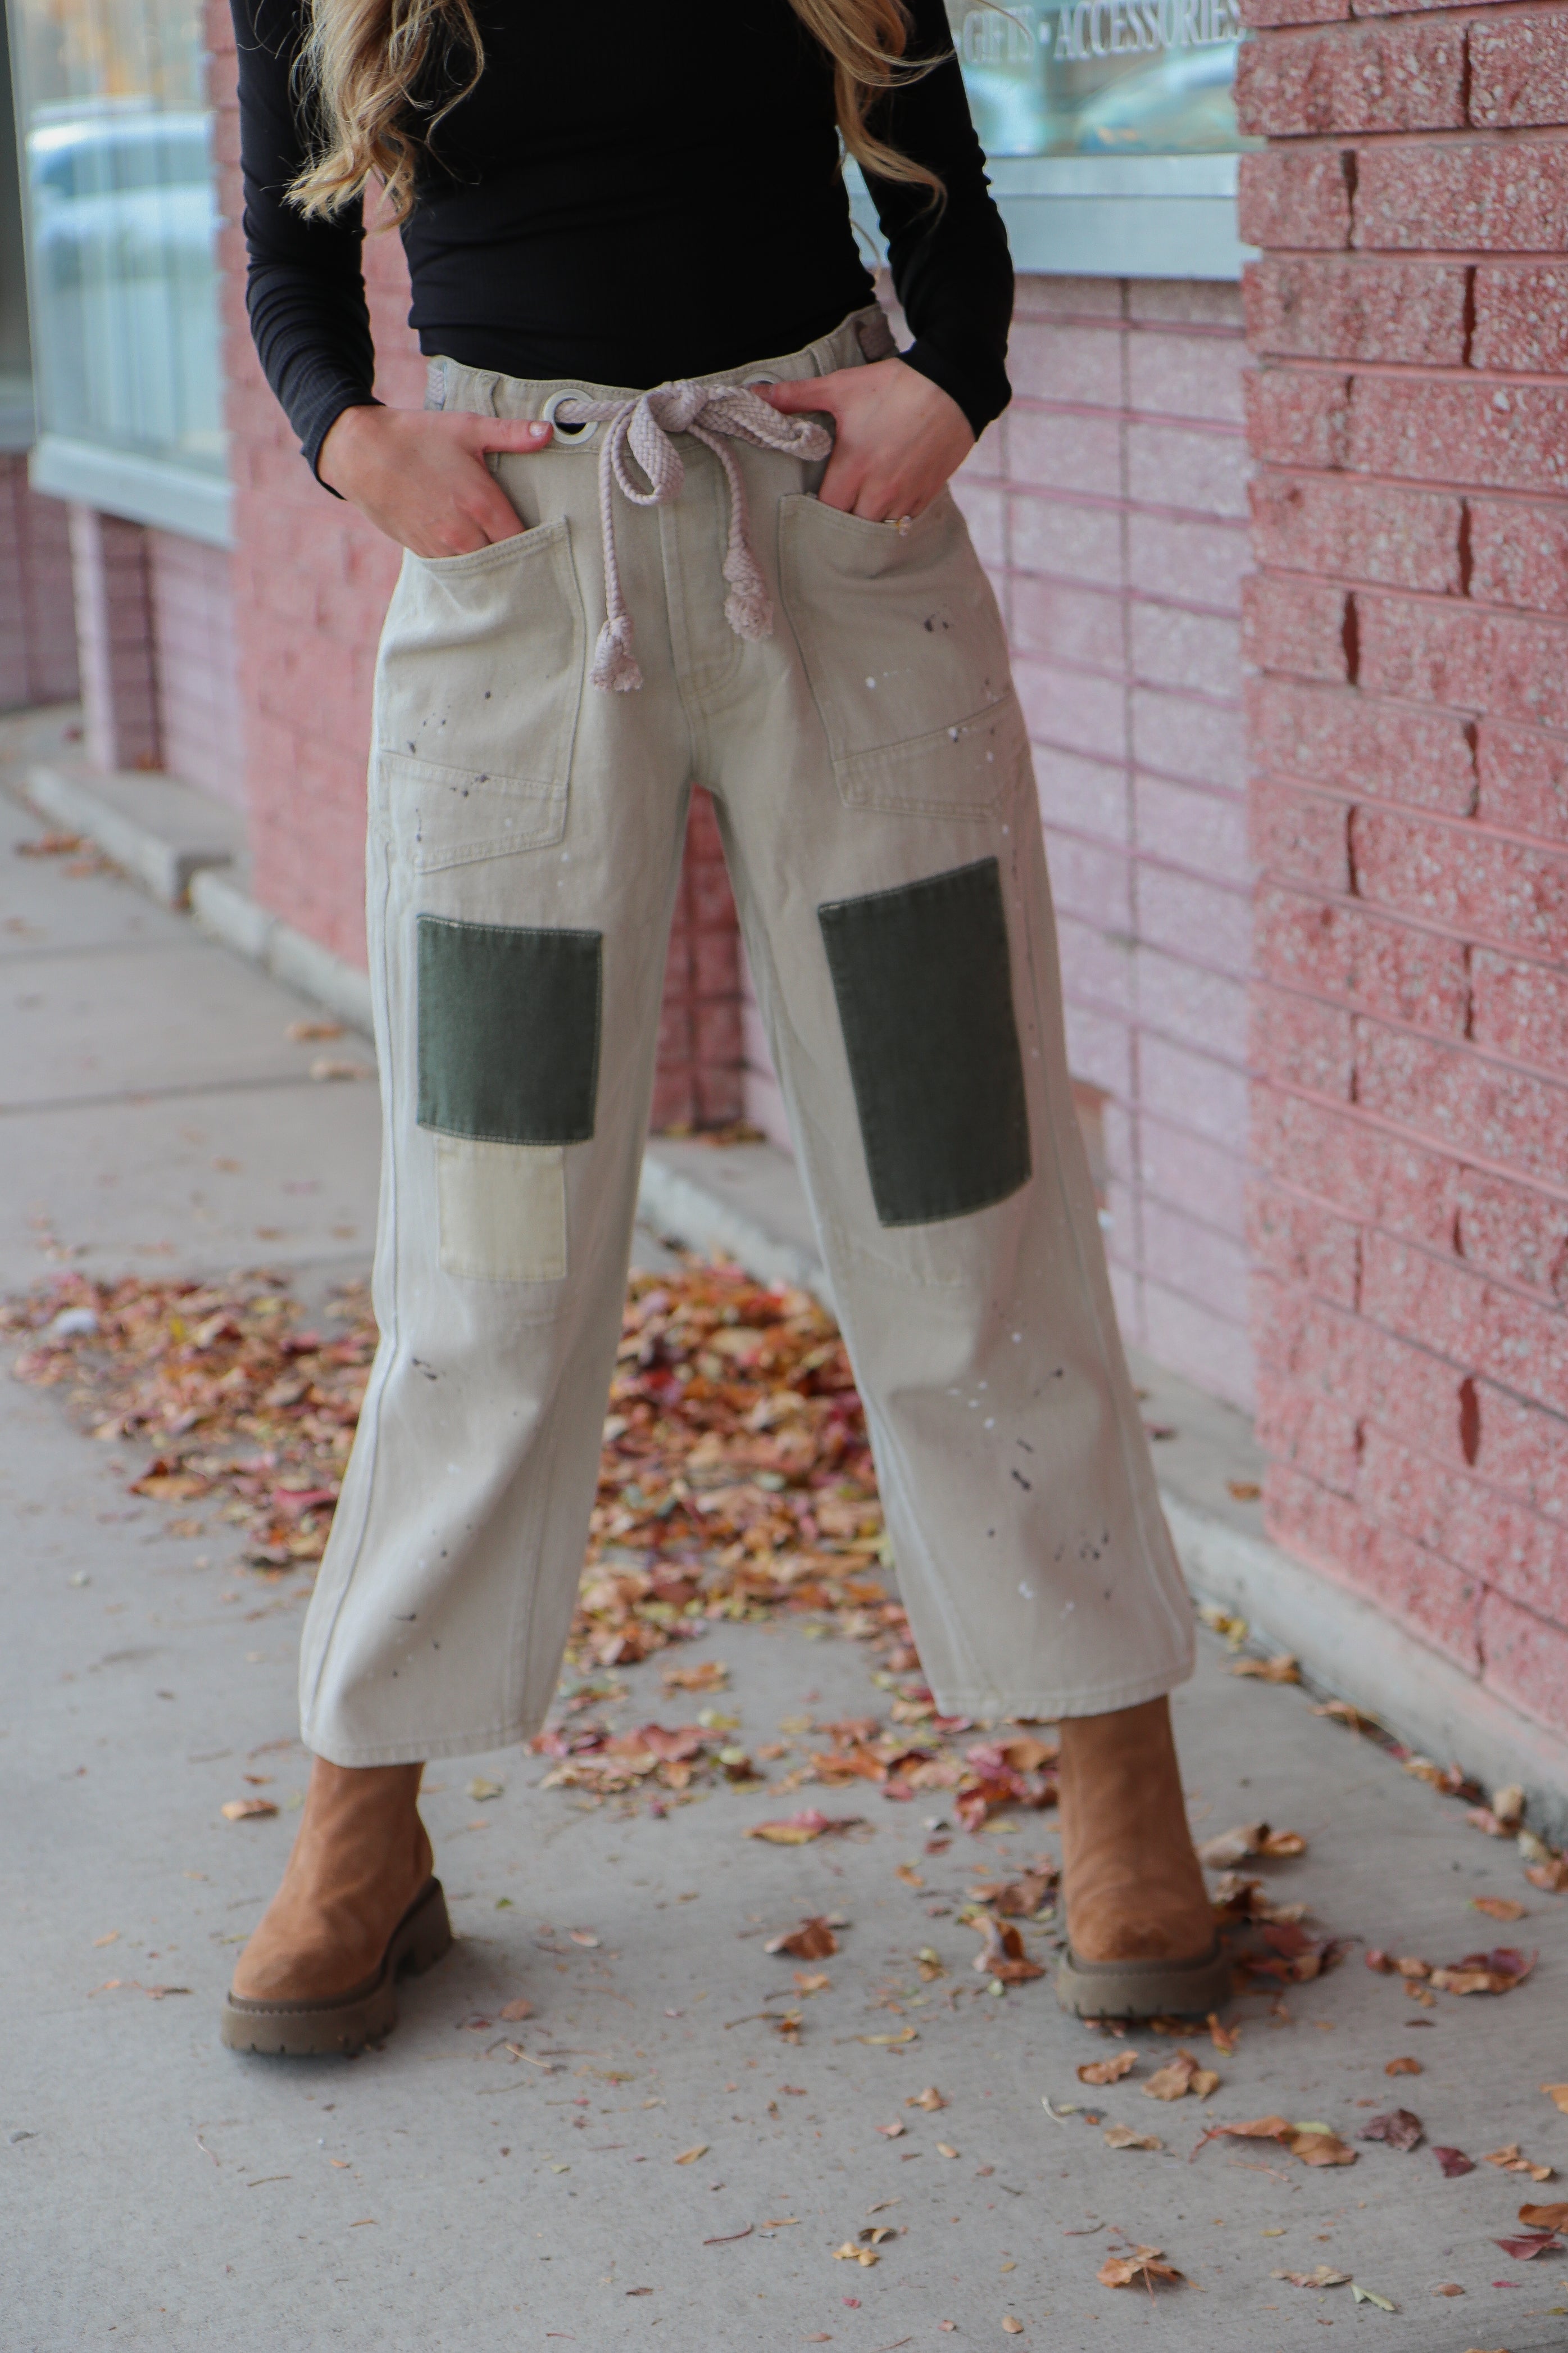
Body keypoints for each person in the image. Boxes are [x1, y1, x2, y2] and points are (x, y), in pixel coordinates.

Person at [222, 0, 1224, 2057]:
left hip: (834, 545)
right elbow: (289, 257)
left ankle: (1115, 1760)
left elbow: (945, 197)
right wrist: (354, 439)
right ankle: (366, 1816)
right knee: (486, 1239)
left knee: (961, 1183)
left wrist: (951, 378)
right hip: (515, 560)